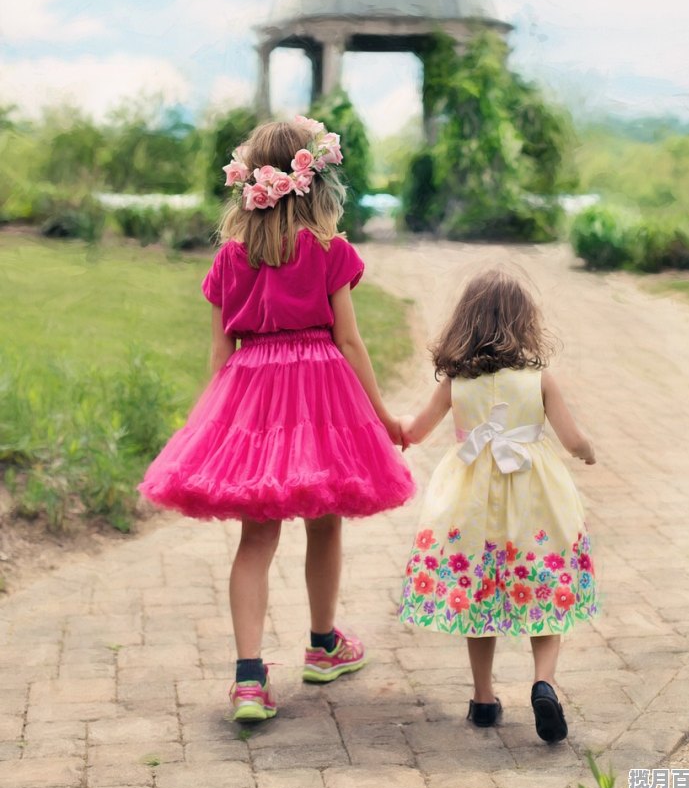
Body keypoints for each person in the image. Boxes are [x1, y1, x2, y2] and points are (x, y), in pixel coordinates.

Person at [139, 116, 415, 722]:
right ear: (313, 182)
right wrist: (383, 414)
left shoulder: (230, 259)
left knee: (257, 535)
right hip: (320, 394)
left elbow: (220, 356)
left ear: (249, 185)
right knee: (324, 519)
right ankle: (322, 645)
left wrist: (205, 430)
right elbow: (349, 342)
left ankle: (247, 677)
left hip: (253, 396)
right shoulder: (328, 250)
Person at [397, 268, 597, 744]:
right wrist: (587, 451)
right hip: (534, 503)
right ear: (523, 323)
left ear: (464, 323)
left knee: (479, 595)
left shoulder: (455, 382)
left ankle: (484, 700)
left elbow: (416, 430)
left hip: (472, 507)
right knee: (546, 589)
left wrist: (389, 422)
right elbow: (572, 439)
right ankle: (543, 682)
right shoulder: (538, 379)